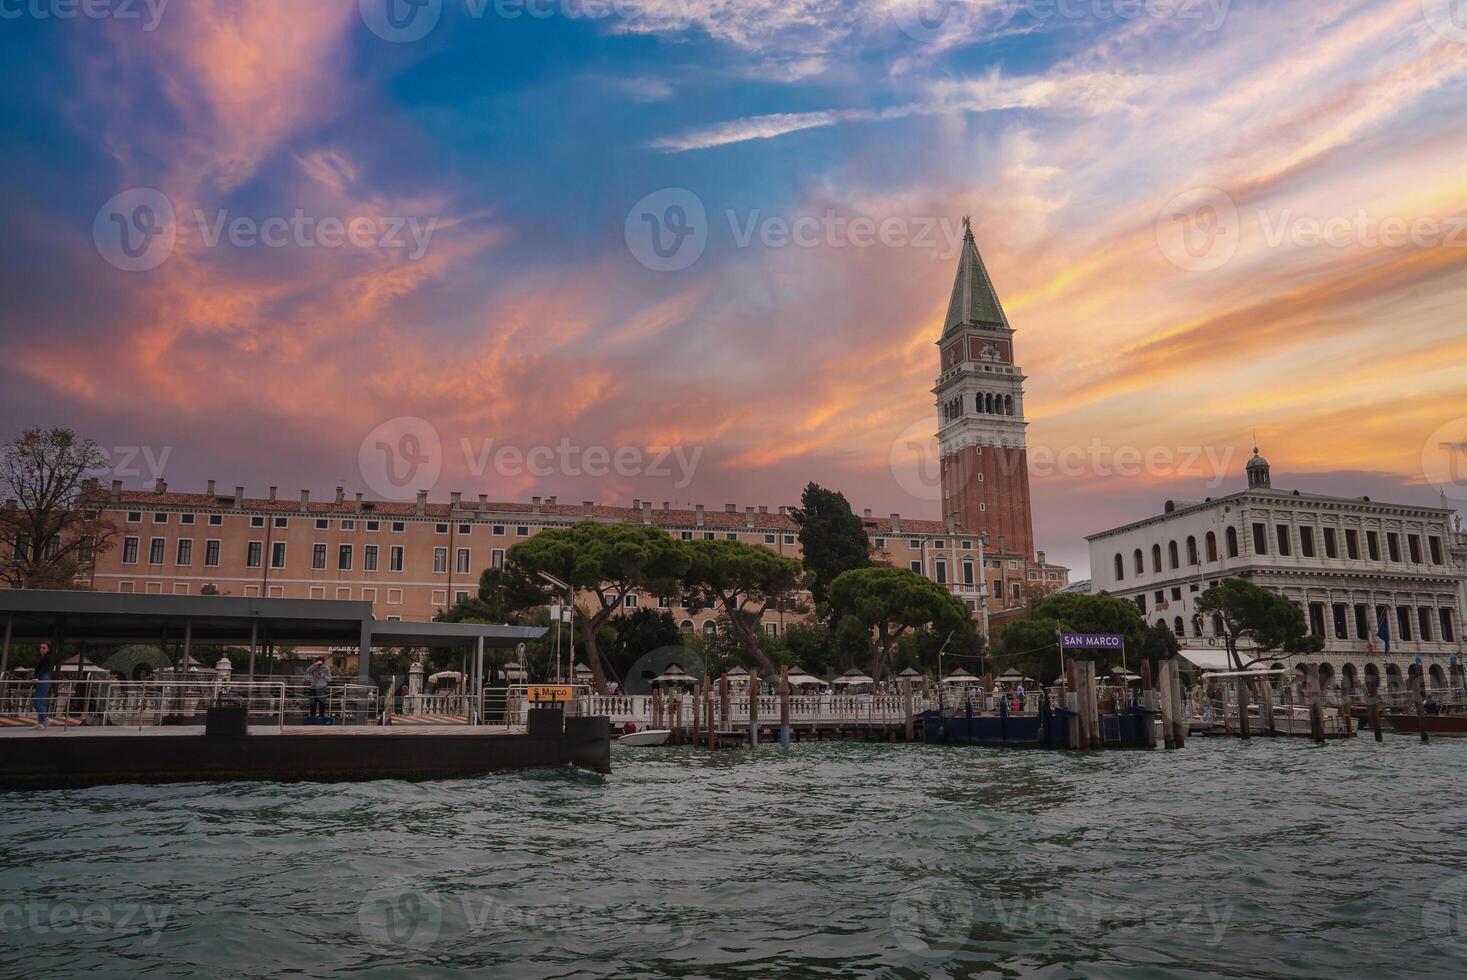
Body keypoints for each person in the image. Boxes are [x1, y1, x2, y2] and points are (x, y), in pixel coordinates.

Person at [32, 643, 54, 729]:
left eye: (44, 648)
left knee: (37, 702)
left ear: (48, 649)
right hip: (43, 678)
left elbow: (43, 669)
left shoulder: (47, 658)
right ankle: (41, 723)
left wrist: (37, 677)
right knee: (41, 702)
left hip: (43, 678)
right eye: (40, 647)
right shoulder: (44, 658)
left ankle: (45, 718)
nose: (41, 649)